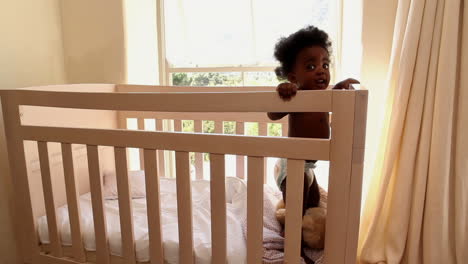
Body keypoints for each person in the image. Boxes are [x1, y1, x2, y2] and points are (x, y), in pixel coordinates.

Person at [268, 25, 359, 216]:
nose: (321, 71)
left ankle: (302, 223)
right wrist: (284, 91)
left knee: (313, 201)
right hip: (292, 162)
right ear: (293, 77)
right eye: (311, 66)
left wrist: (340, 89)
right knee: (296, 206)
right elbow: (272, 114)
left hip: (308, 165)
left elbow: (334, 102)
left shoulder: (325, 96)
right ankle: (292, 240)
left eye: (325, 65)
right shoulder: (296, 95)